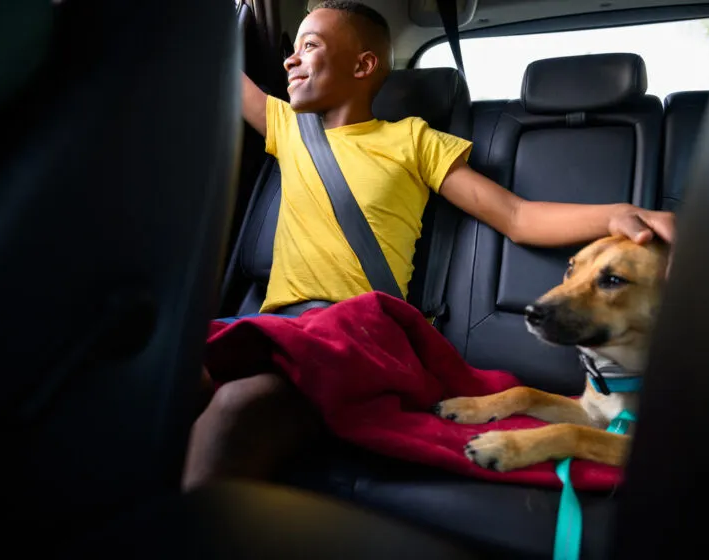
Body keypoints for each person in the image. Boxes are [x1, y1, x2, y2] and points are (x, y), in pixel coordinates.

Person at [181, 0, 676, 489]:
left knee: (235, 408)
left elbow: (517, 216)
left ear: (364, 64)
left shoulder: (413, 140)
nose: (290, 59)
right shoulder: (287, 128)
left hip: (355, 326)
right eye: (292, 48)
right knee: (176, 379)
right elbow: (215, 62)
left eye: (308, 46)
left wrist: (619, 214)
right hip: (272, 326)